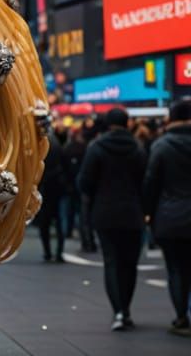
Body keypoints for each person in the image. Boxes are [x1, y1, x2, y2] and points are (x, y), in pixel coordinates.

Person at [78, 106, 147, 331]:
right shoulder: (137, 148)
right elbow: (145, 181)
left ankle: (118, 310)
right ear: (127, 123)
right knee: (130, 263)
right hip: (132, 212)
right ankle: (126, 307)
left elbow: (85, 182)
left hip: (105, 211)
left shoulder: (96, 147)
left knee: (112, 261)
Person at [144, 100, 191, 336]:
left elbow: (151, 183)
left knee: (176, 269)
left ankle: (182, 316)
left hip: (170, 217)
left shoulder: (161, 146)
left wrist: (149, 214)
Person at [37, 129, 67, 262]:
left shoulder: (42, 143)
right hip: (57, 187)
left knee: (45, 223)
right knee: (59, 221)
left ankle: (47, 252)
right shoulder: (57, 144)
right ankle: (59, 252)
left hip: (44, 187)